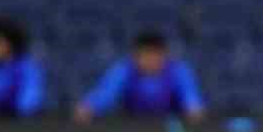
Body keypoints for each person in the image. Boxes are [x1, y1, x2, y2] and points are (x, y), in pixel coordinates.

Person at [74, 30, 206, 122]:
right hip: (133, 127)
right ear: (136, 56)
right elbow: (105, 94)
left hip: (171, 126)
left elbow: (192, 100)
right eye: (145, 56)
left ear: (164, 55)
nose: (150, 61)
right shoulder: (124, 69)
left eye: (154, 55)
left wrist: (194, 110)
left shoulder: (178, 71)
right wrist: (89, 107)